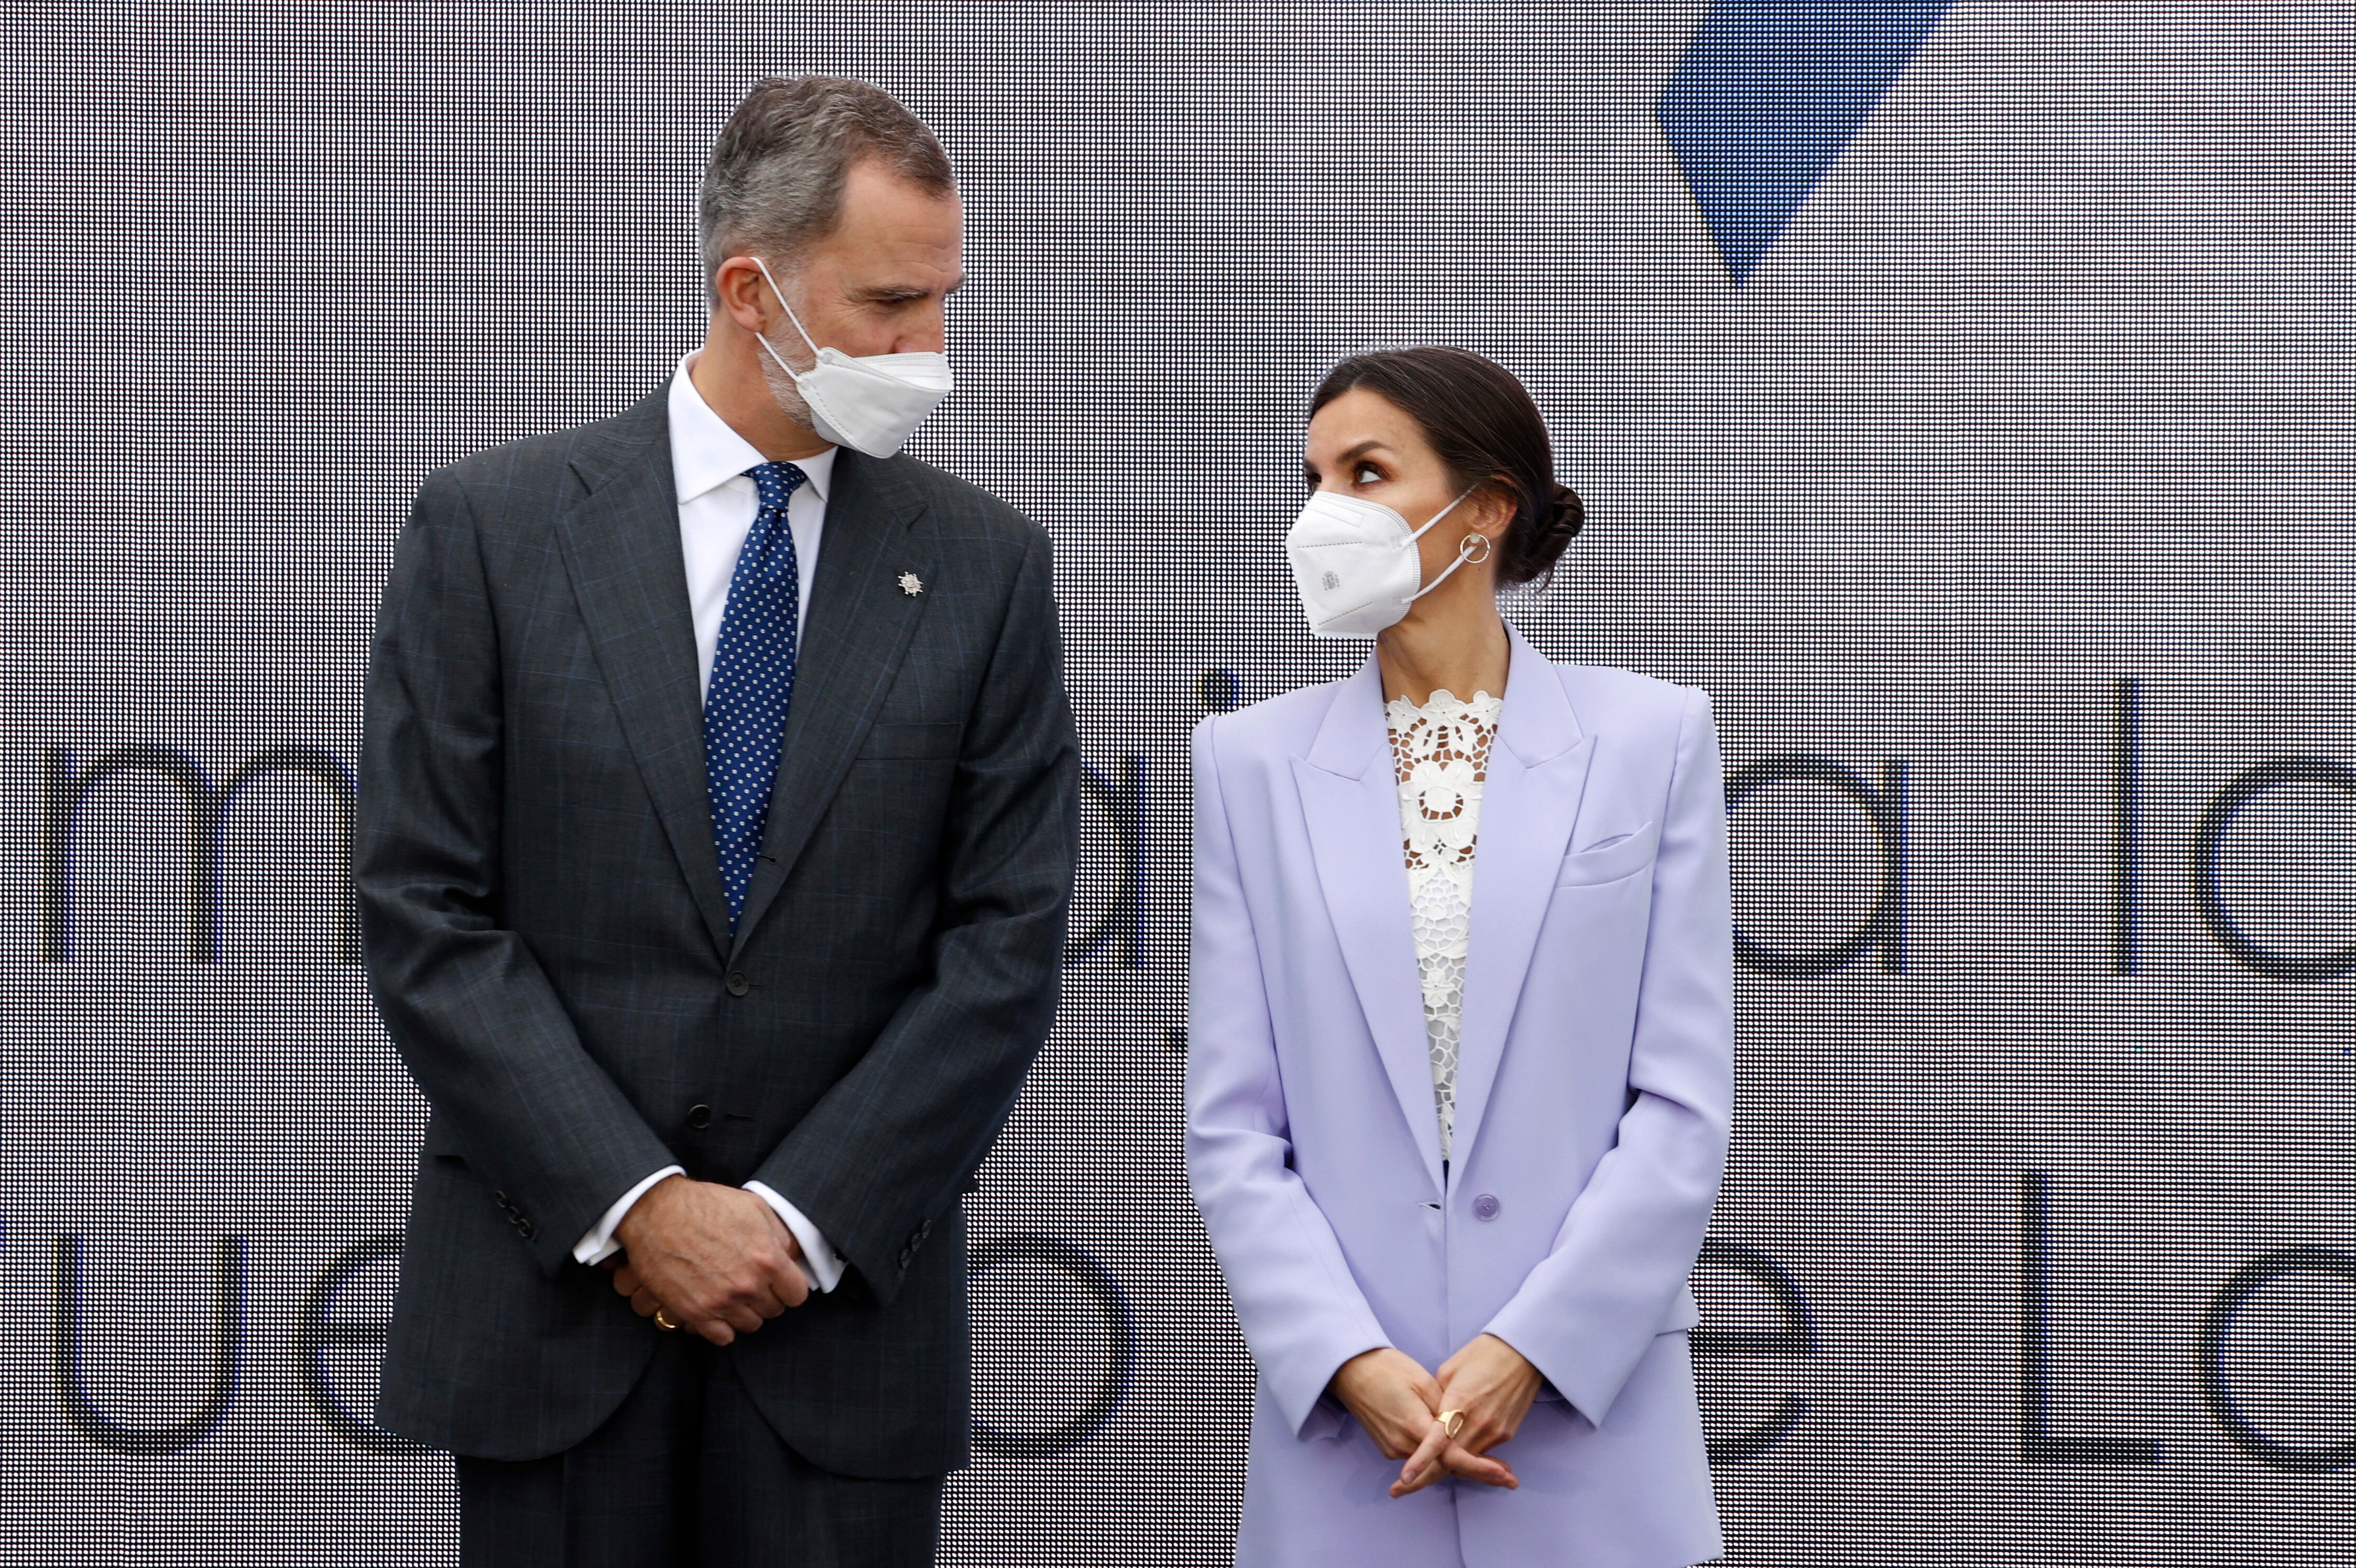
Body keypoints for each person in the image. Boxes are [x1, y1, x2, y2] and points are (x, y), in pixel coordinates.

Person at [357, 76, 1078, 1566]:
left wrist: (798, 1219)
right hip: (552, 1324)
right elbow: (425, 908)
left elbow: (1003, 947)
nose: (928, 352)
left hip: (841, 1346)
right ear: (751, 288)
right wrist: (635, 1203)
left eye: (945, 303)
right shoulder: (491, 531)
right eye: (890, 305)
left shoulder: (988, 567)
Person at [1186, 346, 1730, 1567]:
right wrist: (1344, 1356)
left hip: (1593, 1431)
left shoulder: (1650, 738)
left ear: (1485, 510)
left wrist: (1533, 1346)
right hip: (1346, 1444)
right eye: (1313, 477)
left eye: (1365, 472)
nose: (1322, 511)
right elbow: (1232, 1123)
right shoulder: (1244, 764)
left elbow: (1681, 1104)